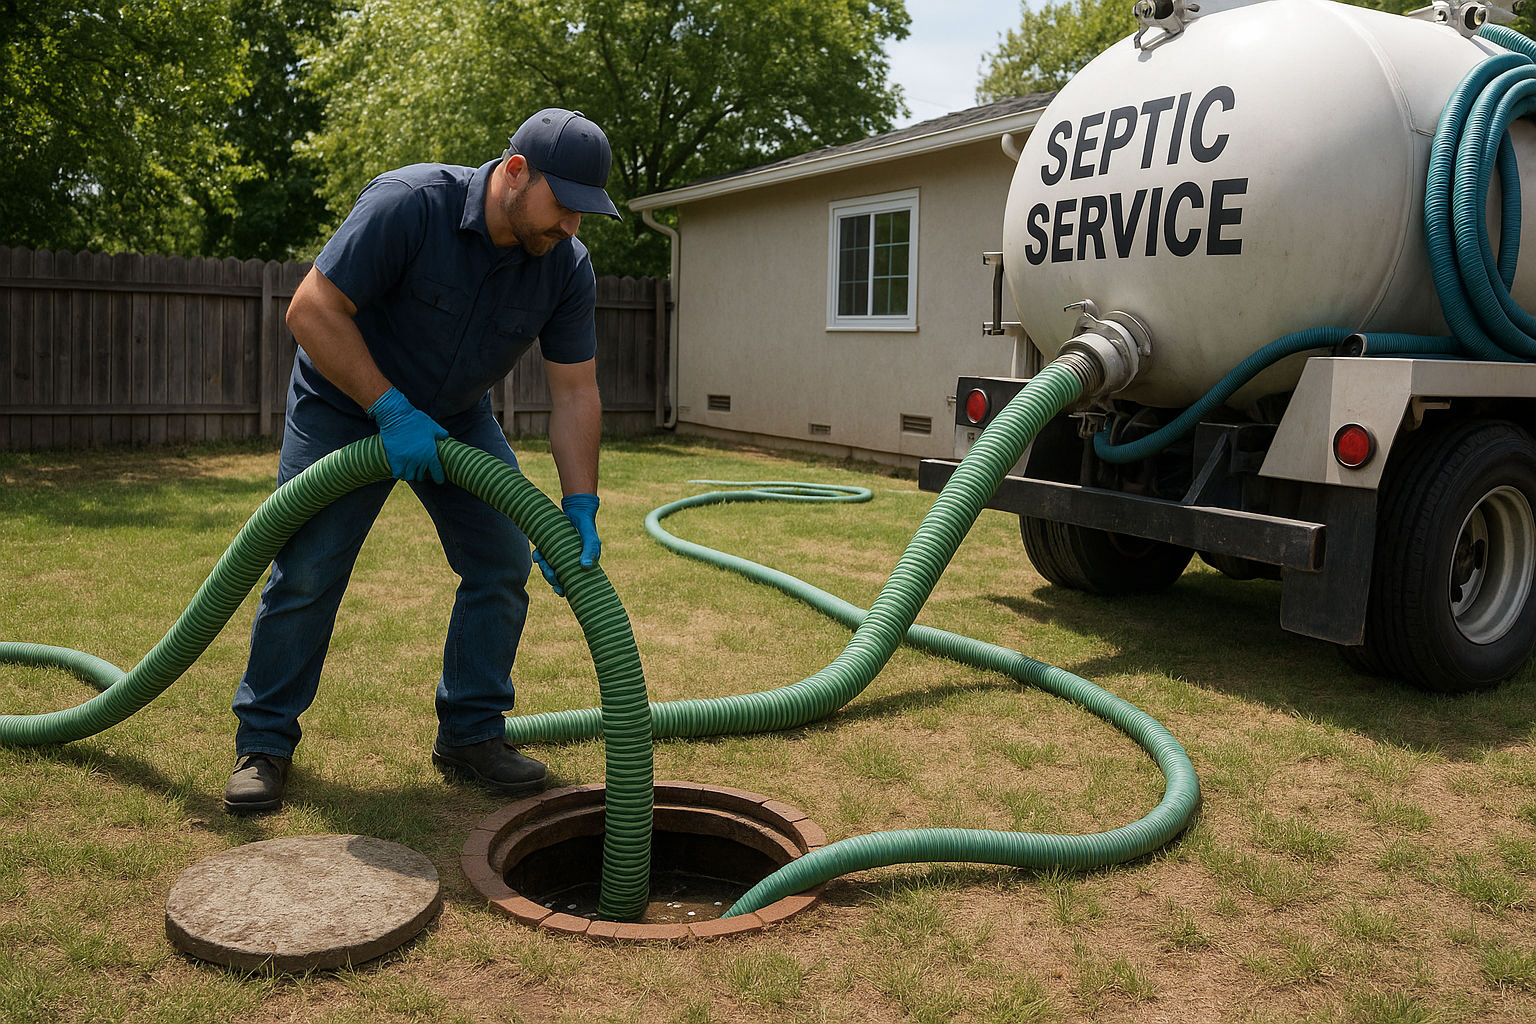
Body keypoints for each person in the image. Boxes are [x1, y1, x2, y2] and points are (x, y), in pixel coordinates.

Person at [222, 109, 619, 814]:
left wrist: (579, 503)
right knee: (310, 566)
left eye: (585, 216)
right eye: (564, 207)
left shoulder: (564, 267)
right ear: (516, 172)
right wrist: (389, 409)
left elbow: (576, 392)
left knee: (501, 557)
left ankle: (471, 735)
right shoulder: (409, 204)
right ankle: (265, 743)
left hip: (459, 416)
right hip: (344, 404)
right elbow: (311, 310)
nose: (570, 228)